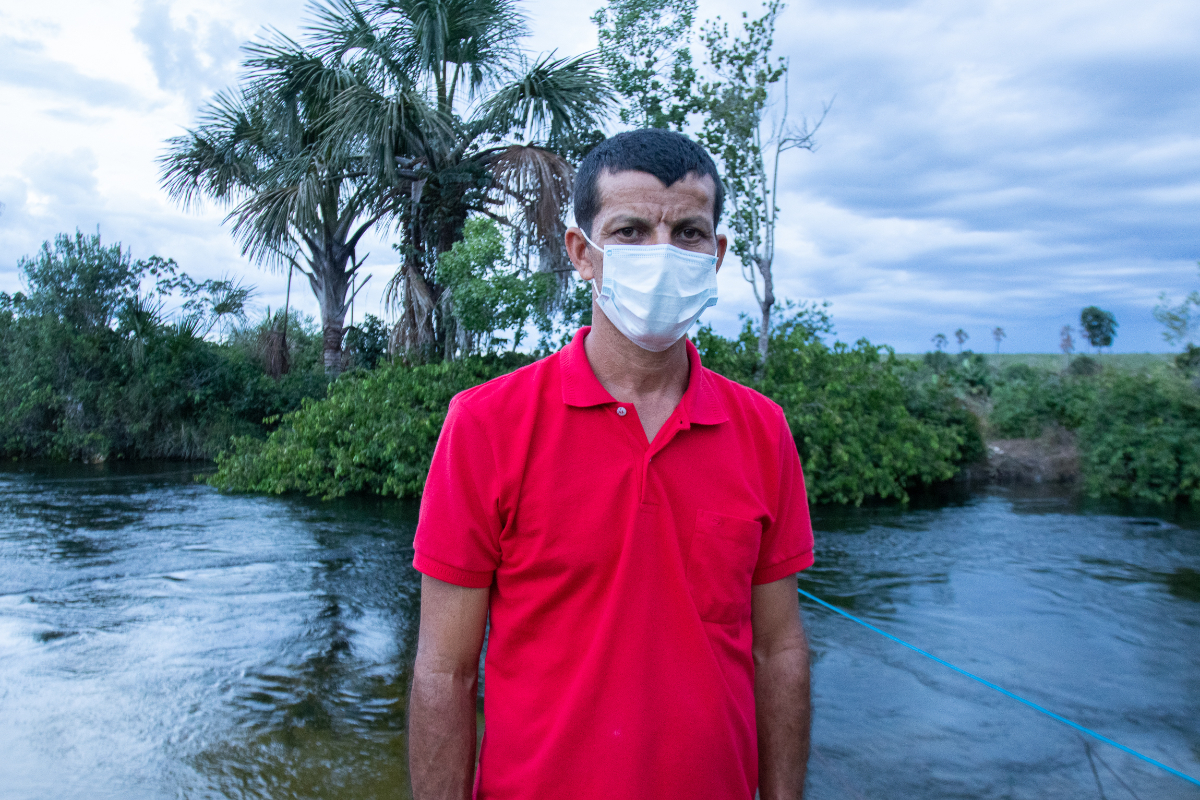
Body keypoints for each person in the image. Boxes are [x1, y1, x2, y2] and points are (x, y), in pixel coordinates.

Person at [408, 129, 815, 800]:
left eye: (687, 232)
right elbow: (444, 672)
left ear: (715, 255)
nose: (662, 253)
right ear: (582, 253)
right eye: (629, 231)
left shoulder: (762, 431)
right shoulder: (485, 424)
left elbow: (780, 652)